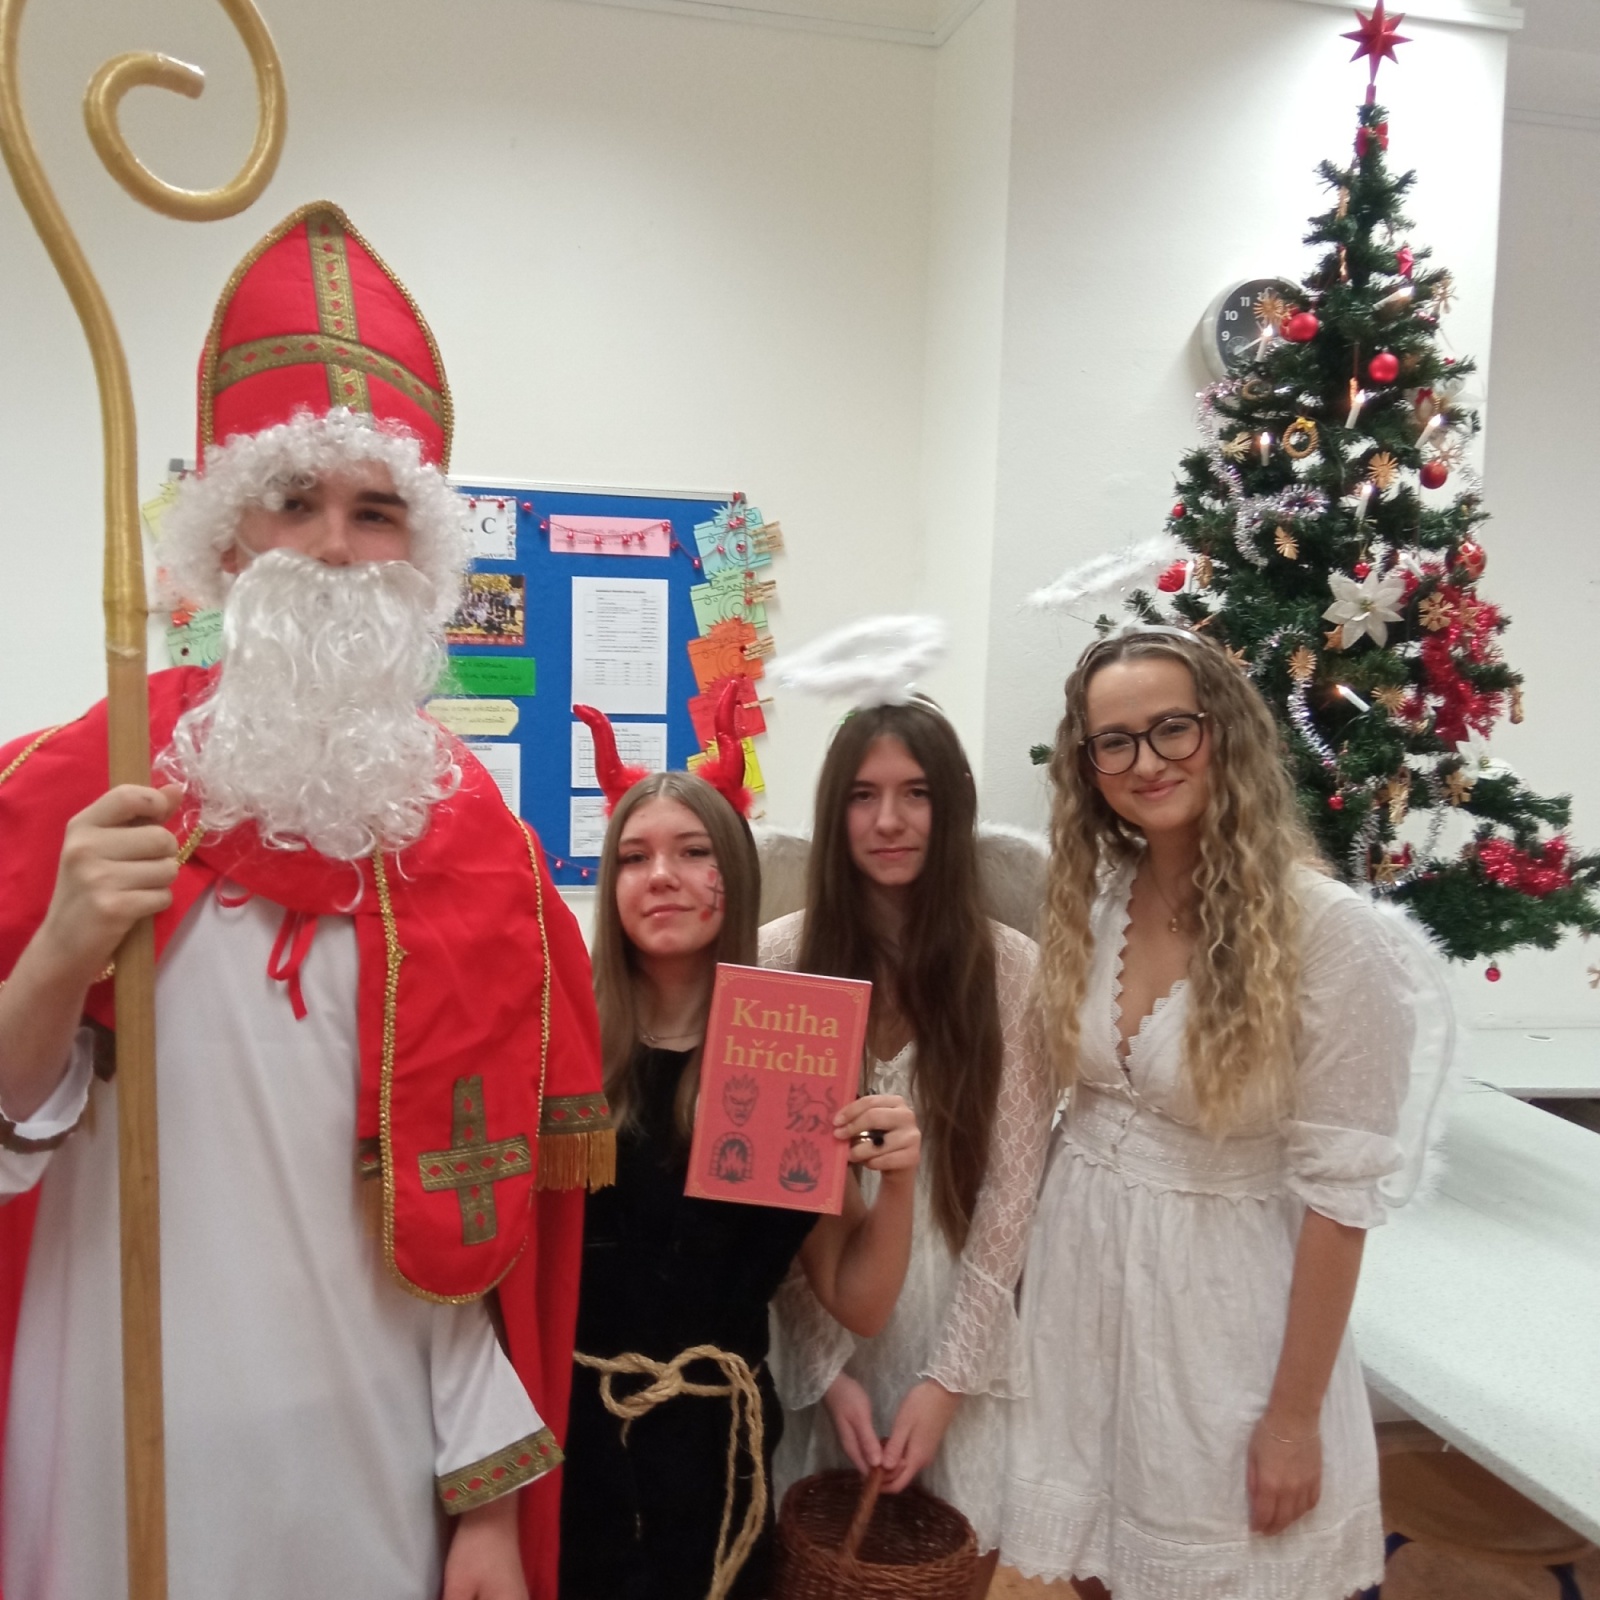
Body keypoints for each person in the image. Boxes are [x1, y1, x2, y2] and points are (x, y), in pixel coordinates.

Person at [0, 203, 606, 1600]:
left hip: (364, 1448)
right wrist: (58, 954)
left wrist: (488, 1502)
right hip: (110, 1428)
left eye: (375, 510)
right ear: (229, 544)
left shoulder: (479, 851)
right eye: (294, 501)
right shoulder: (71, 795)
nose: (335, 545)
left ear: (421, 559)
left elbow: (476, 1219)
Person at [999, 624, 1416, 1600]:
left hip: (1223, 1320)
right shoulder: (1097, 899)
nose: (1146, 761)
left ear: (1222, 731)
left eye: (1171, 728)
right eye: (1114, 741)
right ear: (1088, 765)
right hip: (1081, 1292)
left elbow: (1340, 1200)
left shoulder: (1331, 934)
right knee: (1093, 1566)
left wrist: (1293, 1419)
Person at [559, 710, 923, 1600]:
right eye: (635, 857)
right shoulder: (562, 1051)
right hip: (574, 1443)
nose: (662, 876)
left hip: (720, 1453)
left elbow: (858, 1299)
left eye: (693, 852)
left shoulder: (792, 1052)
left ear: (736, 873)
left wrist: (900, 1180)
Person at [761, 695, 1053, 1597]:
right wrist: (826, 1372)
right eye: (863, 795)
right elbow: (766, 1191)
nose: (889, 820)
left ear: (950, 806)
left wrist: (948, 1382)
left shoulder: (1011, 969)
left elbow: (1010, 1194)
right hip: (820, 1323)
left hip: (958, 1327)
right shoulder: (778, 961)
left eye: (915, 792)